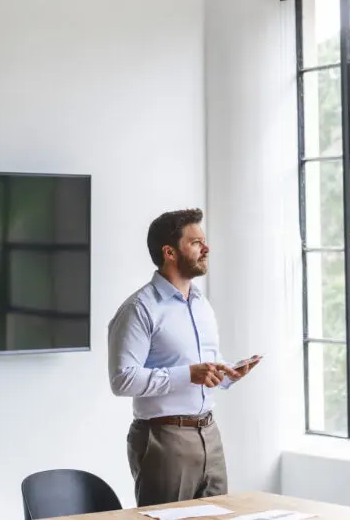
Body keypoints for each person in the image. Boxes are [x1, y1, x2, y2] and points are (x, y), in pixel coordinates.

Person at [107, 208, 260, 506]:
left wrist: (227, 373)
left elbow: (204, 361)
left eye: (204, 241)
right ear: (170, 252)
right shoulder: (139, 309)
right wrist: (189, 373)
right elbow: (122, 379)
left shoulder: (202, 303)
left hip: (210, 435)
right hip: (164, 439)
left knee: (219, 516)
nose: (207, 248)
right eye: (195, 243)